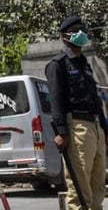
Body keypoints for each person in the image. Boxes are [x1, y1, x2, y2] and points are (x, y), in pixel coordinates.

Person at [45, 15, 107, 210]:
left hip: (95, 127)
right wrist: (61, 132)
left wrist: (105, 129)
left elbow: (95, 99)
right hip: (78, 127)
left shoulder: (84, 63)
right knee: (80, 189)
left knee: (98, 185)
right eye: (76, 30)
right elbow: (56, 100)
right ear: (65, 37)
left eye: (83, 29)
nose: (82, 34)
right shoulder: (58, 65)